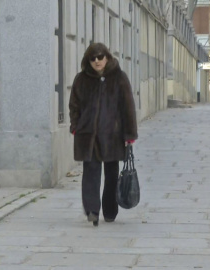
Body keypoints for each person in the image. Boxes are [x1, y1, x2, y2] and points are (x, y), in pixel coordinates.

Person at [69, 43, 138, 226]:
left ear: (107, 57)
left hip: (112, 136)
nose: (97, 61)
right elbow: (74, 105)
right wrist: (76, 126)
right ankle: (92, 210)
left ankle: (110, 211)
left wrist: (129, 134)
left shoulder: (119, 78)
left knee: (111, 174)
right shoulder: (81, 79)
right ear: (88, 60)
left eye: (100, 57)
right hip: (88, 135)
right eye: (93, 58)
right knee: (90, 172)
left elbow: (128, 107)